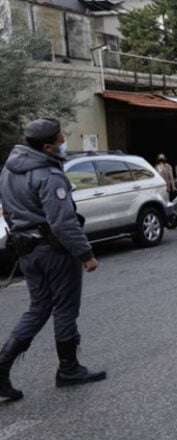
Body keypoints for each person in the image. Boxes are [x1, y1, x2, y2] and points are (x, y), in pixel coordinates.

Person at [0, 118, 106, 402]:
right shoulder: (48, 175)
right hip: (54, 251)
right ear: (47, 147)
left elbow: (7, 211)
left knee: (38, 309)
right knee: (65, 309)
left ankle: (1, 367)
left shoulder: (8, 170)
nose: (63, 143)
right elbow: (63, 222)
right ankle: (69, 369)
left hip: (26, 250)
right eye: (60, 139)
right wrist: (85, 254)